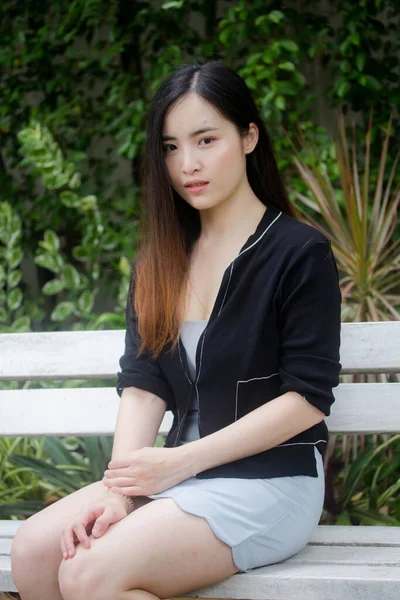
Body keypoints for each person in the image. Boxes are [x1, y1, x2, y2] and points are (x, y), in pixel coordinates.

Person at [11, 60, 341, 600]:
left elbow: (307, 398)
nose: (187, 164)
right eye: (170, 147)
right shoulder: (160, 259)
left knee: (88, 573)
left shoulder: (298, 253)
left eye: (206, 139)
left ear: (249, 136)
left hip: (270, 482)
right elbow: (144, 383)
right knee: (34, 554)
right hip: (172, 478)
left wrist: (177, 464)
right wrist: (121, 491)